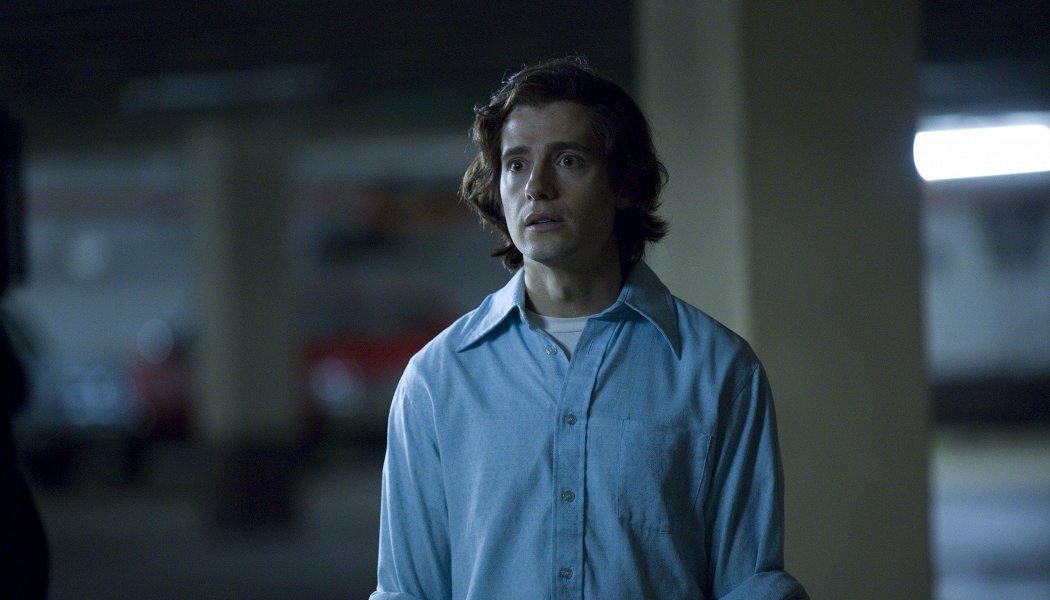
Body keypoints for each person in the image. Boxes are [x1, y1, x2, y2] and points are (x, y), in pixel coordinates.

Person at [370, 57, 807, 599]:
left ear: (623, 184)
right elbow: (407, 591)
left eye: (568, 160)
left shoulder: (718, 370)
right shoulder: (438, 379)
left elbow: (749, 584)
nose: (537, 187)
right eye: (516, 165)